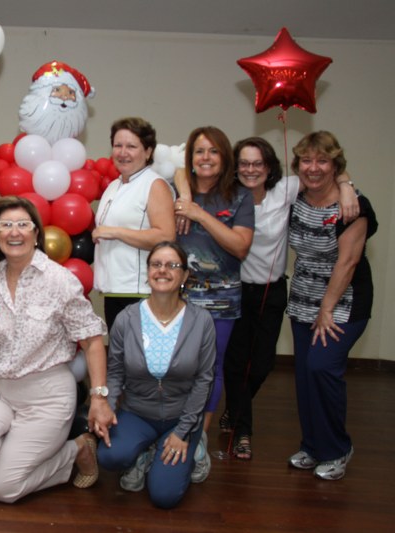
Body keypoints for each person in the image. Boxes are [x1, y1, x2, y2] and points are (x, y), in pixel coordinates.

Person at [0, 196, 116, 504]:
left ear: (36, 233)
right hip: (0, 391)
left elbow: (92, 341)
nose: (15, 232)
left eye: (23, 224)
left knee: (2, 490)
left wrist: (99, 398)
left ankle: (76, 450)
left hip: (47, 398)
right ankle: (14, 462)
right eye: (6, 225)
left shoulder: (59, 280)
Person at [210, 138, 359, 460]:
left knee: (262, 365)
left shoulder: (286, 190)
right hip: (234, 291)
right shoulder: (226, 197)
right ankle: (242, 431)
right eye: (244, 163)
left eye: (258, 163)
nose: (250, 170)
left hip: (272, 291)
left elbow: (325, 171)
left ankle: (235, 408)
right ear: (235, 167)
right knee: (236, 364)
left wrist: (347, 187)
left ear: (269, 167)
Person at [97, 242, 215, 509]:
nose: (163, 270)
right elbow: (115, 372)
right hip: (137, 413)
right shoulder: (127, 319)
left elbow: (204, 380)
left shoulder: (201, 321)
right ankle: (146, 452)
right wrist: (107, 406)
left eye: (172, 265)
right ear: (148, 271)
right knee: (109, 457)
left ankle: (195, 447)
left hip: (181, 418)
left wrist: (183, 432)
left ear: (185, 275)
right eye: (156, 264)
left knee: (164, 496)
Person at [286, 131, 376, 480]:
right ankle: (313, 446)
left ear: (335, 165)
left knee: (322, 367)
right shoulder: (294, 196)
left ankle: (337, 449)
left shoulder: (352, 206)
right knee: (305, 374)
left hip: (343, 302)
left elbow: (348, 262)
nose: (313, 167)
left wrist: (326, 308)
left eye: (323, 160)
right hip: (303, 297)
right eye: (306, 160)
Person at [173, 126, 253, 480]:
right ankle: (173, 429)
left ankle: (198, 437)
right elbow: (174, 169)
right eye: (199, 151)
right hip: (178, 298)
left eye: (213, 151)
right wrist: (185, 195)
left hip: (222, 298)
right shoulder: (177, 188)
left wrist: (197, 213)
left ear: (225, 157)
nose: (205, 158)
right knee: (175, 366)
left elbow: (240, 246)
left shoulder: (239, 197)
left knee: (210, 367)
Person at [93, 117, 176, 330]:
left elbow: (165, 236)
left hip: (140, 292)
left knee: (138, 351)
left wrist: (116, 232)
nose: (123, 152)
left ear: (148, 151)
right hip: (113, 290)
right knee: (118, 350)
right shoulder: (113, 186)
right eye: (118, 145)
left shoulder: (154, 184)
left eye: (131, 146)